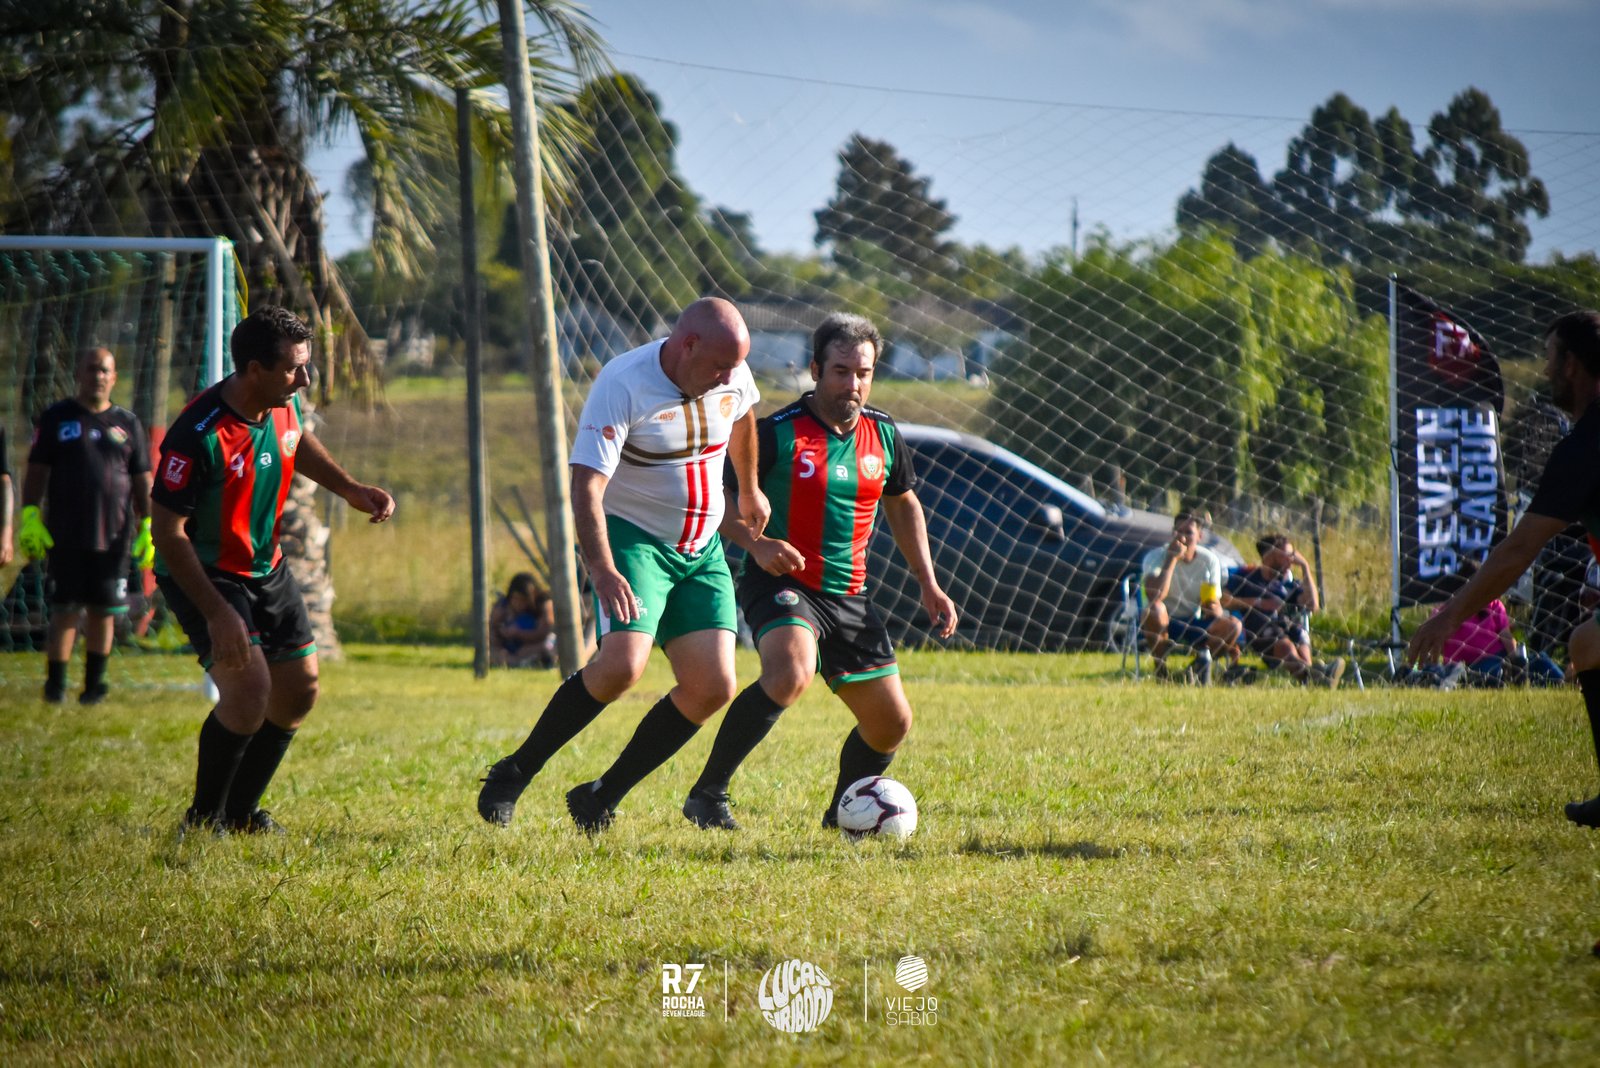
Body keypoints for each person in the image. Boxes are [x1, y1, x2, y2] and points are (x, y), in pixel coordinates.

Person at [476, 297, 768, 832]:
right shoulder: (623, 382)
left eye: (736, 366)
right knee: (621, 667)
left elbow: (744, 414)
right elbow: (586, 487)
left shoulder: (731, 371)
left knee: (713, 685)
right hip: (635, 541)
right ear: (688, 345)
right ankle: (515, 771)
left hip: (701, 548)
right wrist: (604, 569)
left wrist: (748, 488)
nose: (731, 377)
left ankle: (600, 796)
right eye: (721, 366)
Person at [680, 312, 959, 831]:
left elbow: (903, 504)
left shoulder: (883, 433)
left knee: (891, 723)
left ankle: (842, 815)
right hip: (783, 582)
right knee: (791, 673)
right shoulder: (776, 433)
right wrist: (758, 544)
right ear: (815, 370)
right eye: (841, 372)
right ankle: (708, 794)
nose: (853, 384)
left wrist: (929, 583)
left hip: (849, 595)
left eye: (863, 373)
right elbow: (717, 498)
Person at [152, 306, 395, 835]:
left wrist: (350, 489)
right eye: (292, 369)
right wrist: (217, 613)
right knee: (247, 694)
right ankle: (203, 820)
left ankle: (241, 813)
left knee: (300, 691)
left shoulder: (281, 402)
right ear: (253, 369)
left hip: (267, 565)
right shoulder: (197, 434)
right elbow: (167, 533)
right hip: (207, 573)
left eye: (305, 366)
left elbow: (295, 439)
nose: (303, 379)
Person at [1408, 310, 1600, 827]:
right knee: (1587, 643)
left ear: (1572, 365)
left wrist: (1449, 616)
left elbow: (1518, 550)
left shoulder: (1586, 446)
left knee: (1588, 644)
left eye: (1550, 357)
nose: (1545, 370)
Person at [18, 348, 153, 704]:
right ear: (79, 374)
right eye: (92, 369)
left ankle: (94, 688)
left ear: (114, 377)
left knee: (103, 612)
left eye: (105, 370)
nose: (98, 376)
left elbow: (142, 478)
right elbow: (36, 470)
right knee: (65, 609)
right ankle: (56, 687)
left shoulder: (128, 423)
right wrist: (29, 514)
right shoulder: (56, 417)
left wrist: (148, 523)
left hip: (114, 535)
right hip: (65, 533)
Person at [1224, 533, 1344, 687]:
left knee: (1300, 636)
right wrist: (1258, 602)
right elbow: (1223, 600)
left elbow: (1312, 605)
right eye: (1287, 554)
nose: (1292, 560)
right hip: (1261, 631)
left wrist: (1305, 567)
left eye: (1293, 555)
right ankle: (1320, 674)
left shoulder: (1287, 583)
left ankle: (1316, 676)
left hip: (1289, 627)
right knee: (1286, 646)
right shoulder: (1247, 577)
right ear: (1269, 555)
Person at [1141, 509, 1241, 684]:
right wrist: (1171, 560)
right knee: (1155, 609)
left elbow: (1211, 601)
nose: (1182, 537)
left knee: (1233, 625)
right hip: (1164, 621)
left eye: (1188, 532)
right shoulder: (1155, 556)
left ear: (1199, 536)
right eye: (1178, 531)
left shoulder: (1209, 560)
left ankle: (1195, 669)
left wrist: (1214, 608)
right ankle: (1160, 671)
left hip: (1193, 620)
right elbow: (1155, 595)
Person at [490, 571, 556, 668]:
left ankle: (519, 661)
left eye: (522, 600)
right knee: (495, 651)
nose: (518, 603)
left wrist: (518, 633)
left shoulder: (544, 603)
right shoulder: (503, 606)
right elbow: (490, 630)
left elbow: (545, 631)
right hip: (512, 648)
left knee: (547, 645)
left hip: (538, 645)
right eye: (515, 599)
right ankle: (516, 661)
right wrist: (500, 634)